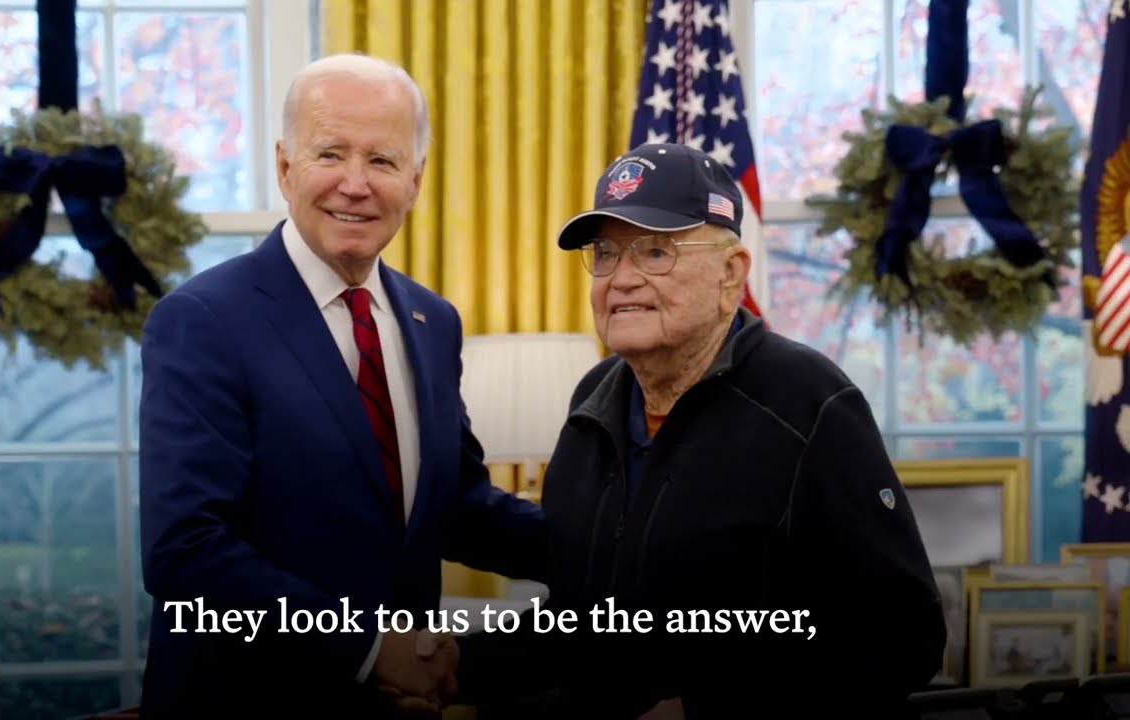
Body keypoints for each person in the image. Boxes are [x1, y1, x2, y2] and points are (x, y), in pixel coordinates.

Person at [458, 142, 945, 718]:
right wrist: (457, 666)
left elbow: (902, 638)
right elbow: (585, 613)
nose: (622, 279)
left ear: (729, 273)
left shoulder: (808, 403)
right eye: (607, 254)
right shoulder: (594, 398)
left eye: (656, 251)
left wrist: (701, 707)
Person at [137, 52, 546, 718]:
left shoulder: (431, 320)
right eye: (330, 154)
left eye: (382, 161)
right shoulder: (202, 320)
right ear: (284, 167)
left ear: (416, 179)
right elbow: (185, 553)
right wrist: (366, 646)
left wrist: (615, 552)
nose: (355, 185)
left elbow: (454, 506)